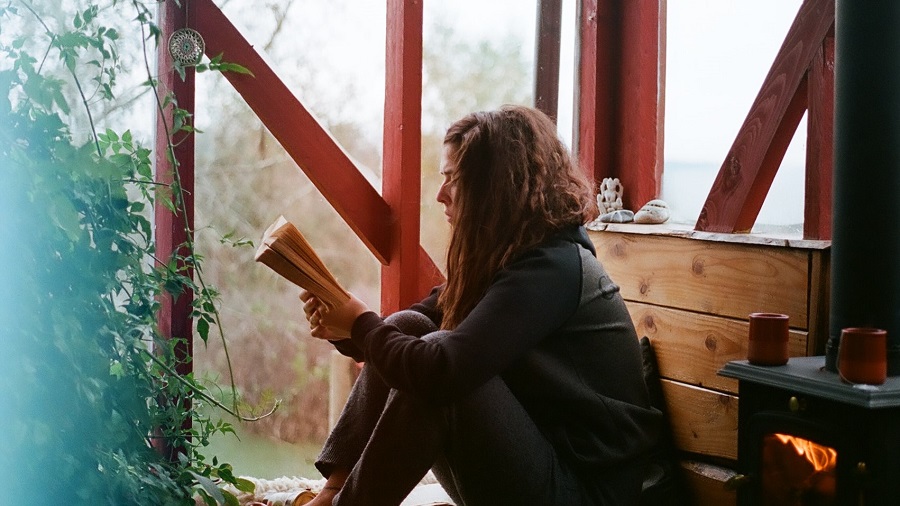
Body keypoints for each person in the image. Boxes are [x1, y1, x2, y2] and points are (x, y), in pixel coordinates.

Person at [300, 105, 661, 506]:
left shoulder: (552, 270)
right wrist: (347, 328)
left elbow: (442, 372)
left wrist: (362, 326)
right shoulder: (512, 255)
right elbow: (419, 323)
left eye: (453, 180)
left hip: (585, 492)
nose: (440, 195)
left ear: (495, 186)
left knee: (443, 383)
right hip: (541, 465)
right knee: (407, 326)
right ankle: (332, 493)